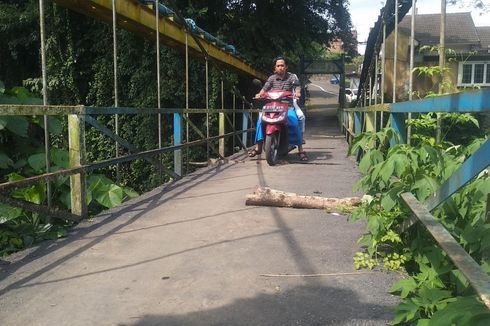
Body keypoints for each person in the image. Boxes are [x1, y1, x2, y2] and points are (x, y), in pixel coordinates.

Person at [248, 56, 308, 161]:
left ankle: (300, 149)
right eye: (278, 66)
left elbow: (297, 86)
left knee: (295, 121)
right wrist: (259, 94)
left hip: (287, 106)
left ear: (286, 67)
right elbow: (265, 88)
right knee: (260, 121)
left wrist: (297, 92)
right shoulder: (271, 78)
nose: (280, 67)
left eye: (282, 65)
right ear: (275, 68)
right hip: (272, 106)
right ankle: (258, 147)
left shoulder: (292, 77)